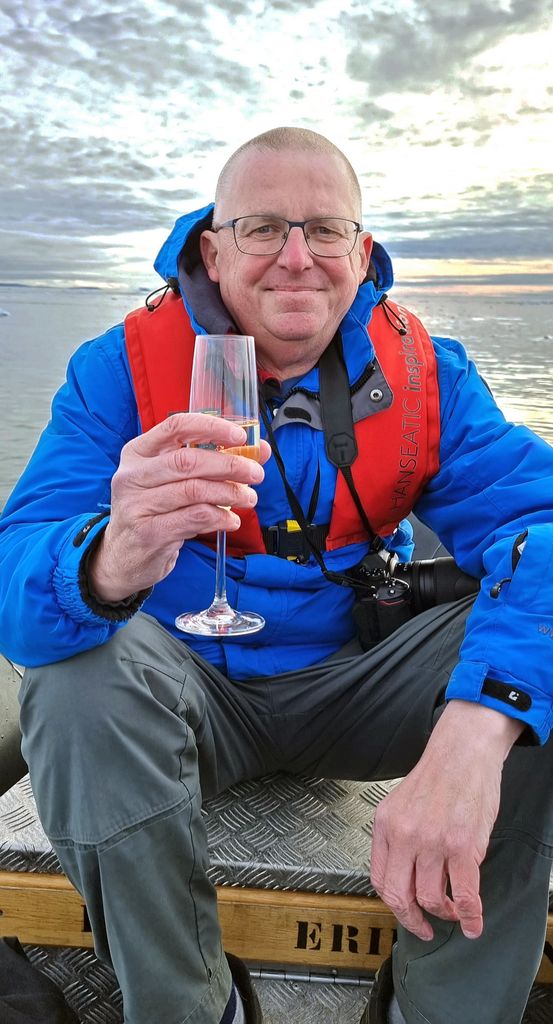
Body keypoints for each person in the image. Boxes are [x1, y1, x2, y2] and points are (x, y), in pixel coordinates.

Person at [0, 126, 552, 1024]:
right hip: (184, 696)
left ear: (361, 252)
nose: (296, 258)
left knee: (531, 675)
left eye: (324, 230)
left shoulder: (428, 375)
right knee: (73, 675)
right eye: (261, 229)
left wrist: (479, 727)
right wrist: (105, 560)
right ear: (211, 252)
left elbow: (541, 520)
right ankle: (194, 1006)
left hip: (362, 687)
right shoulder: (118, 371)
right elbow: (17, 563)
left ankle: (440, 1010)